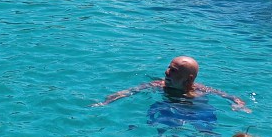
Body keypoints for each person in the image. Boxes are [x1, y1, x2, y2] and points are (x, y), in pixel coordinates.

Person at [96, 56, 247, 112]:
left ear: (188, 79)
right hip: (170, 110)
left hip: (196, 111)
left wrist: (240, 105)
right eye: (168, 67)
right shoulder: (158, 85)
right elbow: (131, 91)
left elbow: (230, 96)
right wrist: (107, 101)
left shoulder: (200, 89)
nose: (166, 73)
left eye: (173, 71)